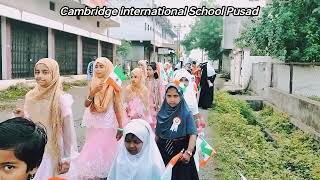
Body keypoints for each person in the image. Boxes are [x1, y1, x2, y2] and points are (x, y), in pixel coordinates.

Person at [13, 58, 78, 179]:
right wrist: (22, 116)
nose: (40, 76)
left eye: (45, 72)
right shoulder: (30, 96)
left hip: (53, 151)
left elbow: (67, 131)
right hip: (35, 148)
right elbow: (31, 122)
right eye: (37, 72)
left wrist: (66, 158)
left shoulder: (61, 99)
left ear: (54, 74)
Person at [66, 57, 123, 179]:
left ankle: (108, 173)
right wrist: (93, 92)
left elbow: (118, 106)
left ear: (107, 68)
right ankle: (94, 173)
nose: (97, 69)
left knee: (107, 148)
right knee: (92, 147)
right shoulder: (93, 82)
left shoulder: (114, 82)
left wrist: (121, 127)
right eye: (96, 66)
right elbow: (86, 104)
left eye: (101, 66)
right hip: (94, 121)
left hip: (108, 122)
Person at [156, 83, 199, 180]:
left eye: (175, 96)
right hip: (163, 151)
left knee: (181, 176)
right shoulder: (161, 113)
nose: (172, 99)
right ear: (165, 96)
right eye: (169, 96)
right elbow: (157, 135)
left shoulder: (186, 113)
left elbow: (193, 134)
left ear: (181, 96)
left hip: (181, 152)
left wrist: (188, 152)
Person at [146, 62, 163, 130]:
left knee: (153, 121)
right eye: (147, 69)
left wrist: (159, 105)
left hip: (154, 103)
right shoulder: (144, 81)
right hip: (146, 103)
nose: (148, 71)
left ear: (155, 71)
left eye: (150, 70)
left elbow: (160, 94)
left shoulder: (158, 81)